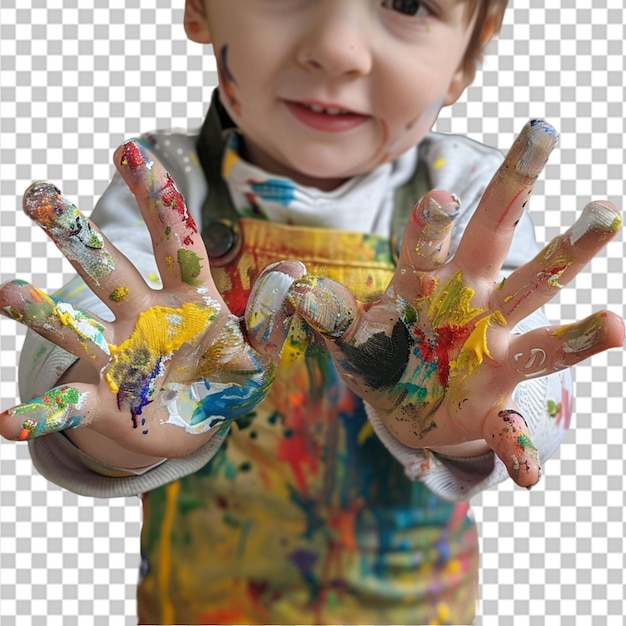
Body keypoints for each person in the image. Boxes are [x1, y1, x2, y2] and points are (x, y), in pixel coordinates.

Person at [0, 0, 623, 623]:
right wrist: (118, 410)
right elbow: (80, 328)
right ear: (198, 10)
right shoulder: (172, 185)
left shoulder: (470, 193)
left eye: (406, 3)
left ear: (469, 54)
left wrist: (465, 417)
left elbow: (536, 387)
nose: (337, 48)